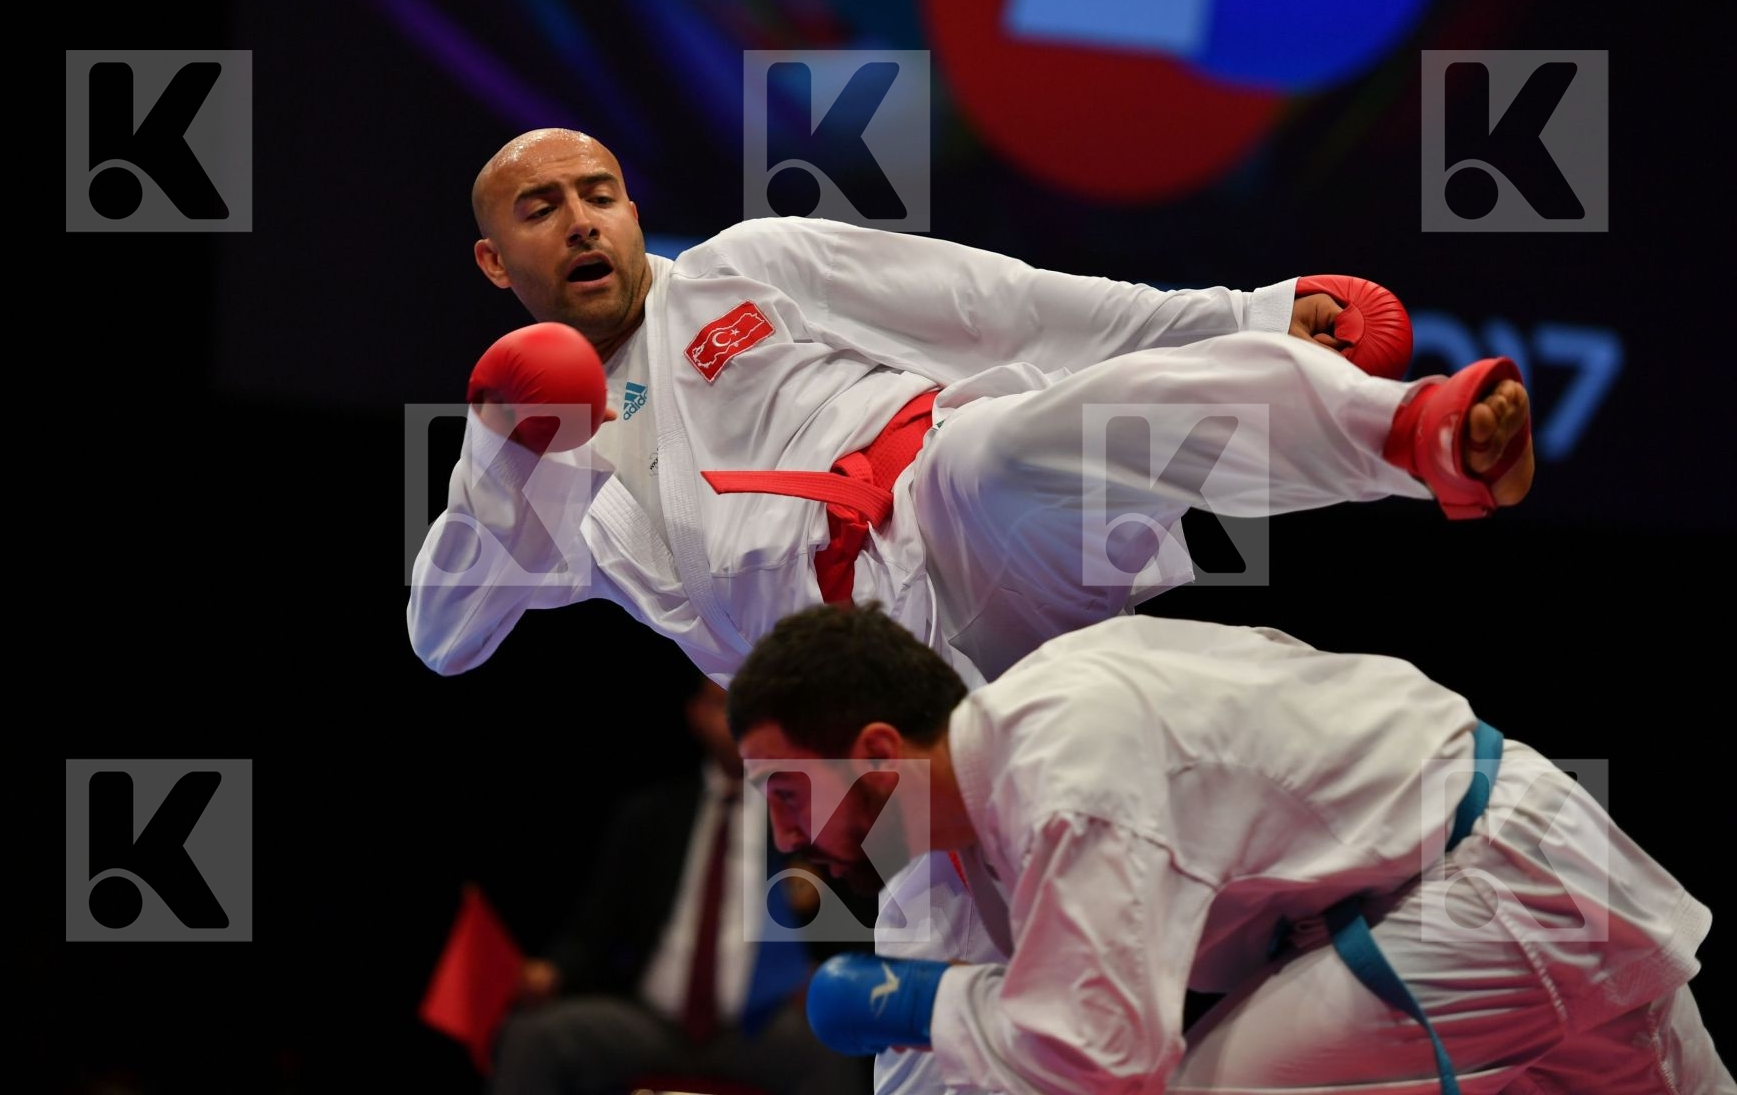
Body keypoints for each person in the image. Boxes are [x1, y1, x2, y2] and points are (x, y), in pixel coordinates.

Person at [408, 128, 1536, 687]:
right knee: (979, 962)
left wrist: (1248, 313)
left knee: (1022, 445)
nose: (582, 220)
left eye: (600, 194)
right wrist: (510, 451)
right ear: (493, 261)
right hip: (856, 694)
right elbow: (444, 642)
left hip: (939, 513)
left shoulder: (744, 266)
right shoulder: (525, 452)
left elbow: (1011, 310)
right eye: (541, 208)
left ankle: (1411, 434)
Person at [724, 601, 1729, 1093]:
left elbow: (1107, 1057)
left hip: (1486, 886)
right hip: (1476, 886)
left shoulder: (1063, 762)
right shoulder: (979, 833)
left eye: (786, 791)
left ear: (877, 755)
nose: (783, 836)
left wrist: (916, 1003)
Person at [490, 677, 869, 1095]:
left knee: (834, 1044)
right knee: (532, 1037)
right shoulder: (650, 816)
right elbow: (595, 928)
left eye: (755, 708)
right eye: (723, 704)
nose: (740, 722)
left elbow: (858, 924)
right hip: (652, 1021)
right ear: (696, 715)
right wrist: (552, 972)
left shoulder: (808, 819)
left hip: (760, 1026)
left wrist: (825, 975)